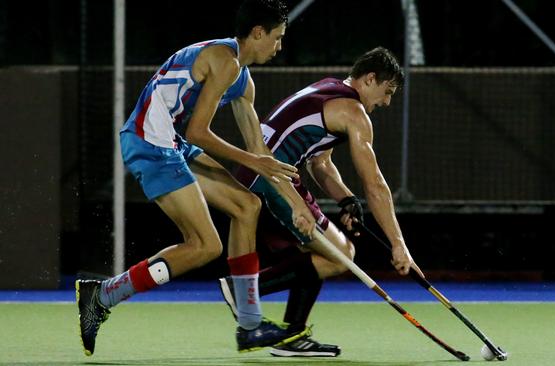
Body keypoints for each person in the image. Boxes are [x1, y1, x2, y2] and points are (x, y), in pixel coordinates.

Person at [75, 0, 316, 356]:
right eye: (277, 38)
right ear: (258, 33)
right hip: (149, 142)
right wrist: (253, 160)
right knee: (205, 245)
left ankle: (250, 327)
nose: (279, 46)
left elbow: (260, 154)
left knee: (248, 205)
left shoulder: (243, 81)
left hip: (171, 143)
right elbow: (200, 131)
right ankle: (103, 295)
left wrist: (299, 206)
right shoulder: (224, 60)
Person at [219, 47, 415, 357]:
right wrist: (398, 243)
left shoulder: (328, 89)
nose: (387, 102)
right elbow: (375, 184)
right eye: (387, 91)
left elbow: (320, 163)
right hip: (272, 179)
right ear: (370, 78)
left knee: (321, 254)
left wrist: (346, 199)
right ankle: (243, 291)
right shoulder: (353, 112)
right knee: (340, 255)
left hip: (261, 174)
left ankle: (292, 336)